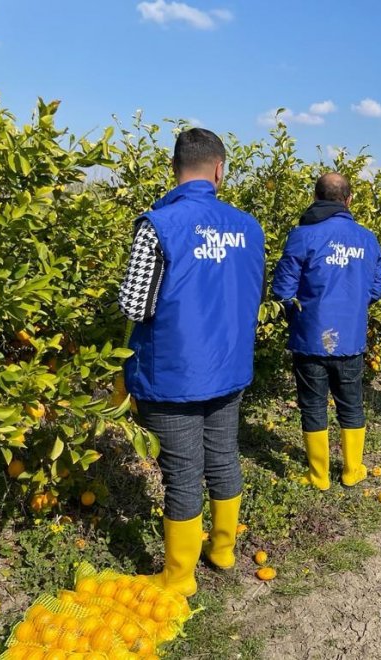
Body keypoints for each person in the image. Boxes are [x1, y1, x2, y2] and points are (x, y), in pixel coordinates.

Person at [118, 128, 266, 597]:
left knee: (183, 472)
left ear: (175, 167)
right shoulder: (248, 226)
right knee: (223, 457)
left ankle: (179, 577)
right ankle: (222, 551)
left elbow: (135, 306)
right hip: (229, 365)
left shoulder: (158, 225)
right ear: (219, 169)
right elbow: (252, 293)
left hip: (174, 373)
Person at [272, 173, 381, 491]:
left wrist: (299, 316)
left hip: (310, 336)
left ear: (316, 197)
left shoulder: (302, 236)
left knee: (312, 404)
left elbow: (282, 290)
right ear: (349, 200)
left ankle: (318, 476)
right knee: (351, 402)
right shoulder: (367, 239)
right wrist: (352, 306)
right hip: (349, 336)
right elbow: (376, 289)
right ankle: (352, 470)